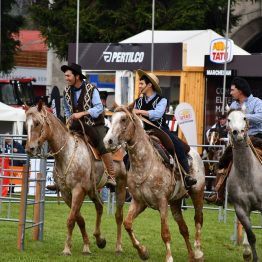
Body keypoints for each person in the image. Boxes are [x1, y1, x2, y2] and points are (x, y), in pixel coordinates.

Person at [47, 63, 115, 191]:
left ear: (77, 76)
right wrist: (69, 119)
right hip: (75, 125)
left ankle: (111, 175)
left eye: (68, 75)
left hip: (94, 125)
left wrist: (83, 113)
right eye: (65, 76)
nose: (66, 78)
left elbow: (99, 108)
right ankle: (57, 179)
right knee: (61, 145)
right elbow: (67, 109)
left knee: (102, 144)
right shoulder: (66, 90)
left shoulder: (92, 89)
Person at [131, 69, 197, 189]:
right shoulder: (138, 101)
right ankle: (126, 174)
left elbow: (157, 114)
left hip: (160, 130)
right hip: (142, 131)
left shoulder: (162, 100)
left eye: (141, 83)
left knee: (175, 145)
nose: (139, 86)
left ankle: (187, 174)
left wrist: (139, 111)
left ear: (149, 85)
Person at [205, 77, 262, 205]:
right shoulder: (234, 105)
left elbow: (261, 117)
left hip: (255, 136)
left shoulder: (257, 102)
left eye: (232, 90)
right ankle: (218, 194)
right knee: (223, 162)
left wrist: (242, 117)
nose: (230, 93)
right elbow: (229, 123)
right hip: (237, 141)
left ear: (240, 90)